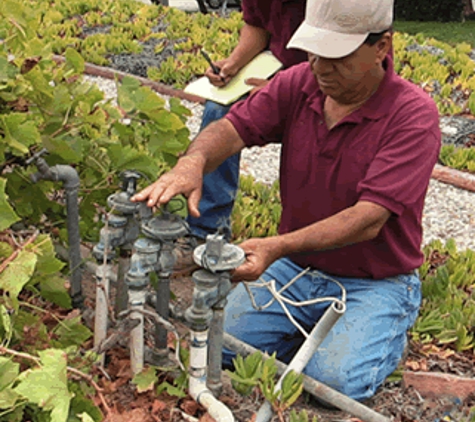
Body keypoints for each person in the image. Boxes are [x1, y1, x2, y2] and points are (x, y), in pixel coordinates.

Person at [132, 0, 441, 401]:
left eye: (336, 57)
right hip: (295, 270)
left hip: (374, 281)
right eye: (314, 52)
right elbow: (232, 127)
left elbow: (368, 218)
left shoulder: (412, 115)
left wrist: (277, 247)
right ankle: (319, 337)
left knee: (334, 384)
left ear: (382, 46)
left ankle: (380, 331)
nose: (320, 67)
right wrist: (193, 162)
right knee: (213, 343)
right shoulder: (300, 82)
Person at [174, 0, 307, 274]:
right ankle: (207, 232)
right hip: (277, 70)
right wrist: (232, 66)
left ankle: (301, 251)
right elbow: (257, 26)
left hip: (331, 80)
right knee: (218, 109)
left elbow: (337, 53)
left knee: (309, 134)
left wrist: (279, 90)